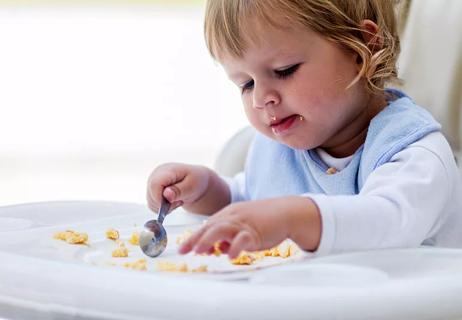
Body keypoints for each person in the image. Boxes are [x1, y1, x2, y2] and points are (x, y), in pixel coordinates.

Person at [146, 0, 462, 259]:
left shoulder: (414, 153)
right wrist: (209, 191)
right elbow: (254, 201)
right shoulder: (280, 148)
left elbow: (389, 221)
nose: (260, 99)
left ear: (361, 49)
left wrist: (293, 218)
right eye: (246, 84)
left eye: (284, 70)